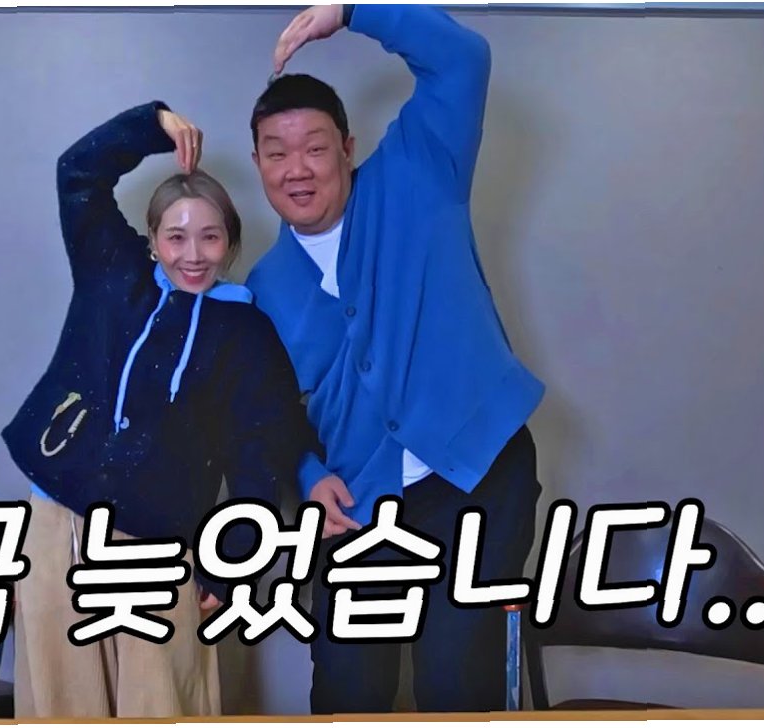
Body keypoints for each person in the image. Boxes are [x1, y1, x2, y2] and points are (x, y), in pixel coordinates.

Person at [242, 4, 546, 715]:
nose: (296, 169)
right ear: (256, 164)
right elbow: (269, 417)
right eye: (276, 153)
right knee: (346, 691)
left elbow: (463, 59)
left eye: (315, 148)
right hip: (359, 504)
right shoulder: (264, 289)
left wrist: (352, 10)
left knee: (455, 685)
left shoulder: (418, 173)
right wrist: (309, 477)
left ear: (347, 148)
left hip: (478, 478)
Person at [1, 100, 316, 719]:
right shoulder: (112, 274)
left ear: (230, 242)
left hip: (162, 544)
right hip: (57, 522)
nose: (193, 254)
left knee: (162, 704)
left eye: (210, 237)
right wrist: (154, 124)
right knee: (61, 704)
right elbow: (78, 174)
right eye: (176, 237)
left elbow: (257, 456)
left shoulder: (247, 334)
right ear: (151, 241)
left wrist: (232, 565)